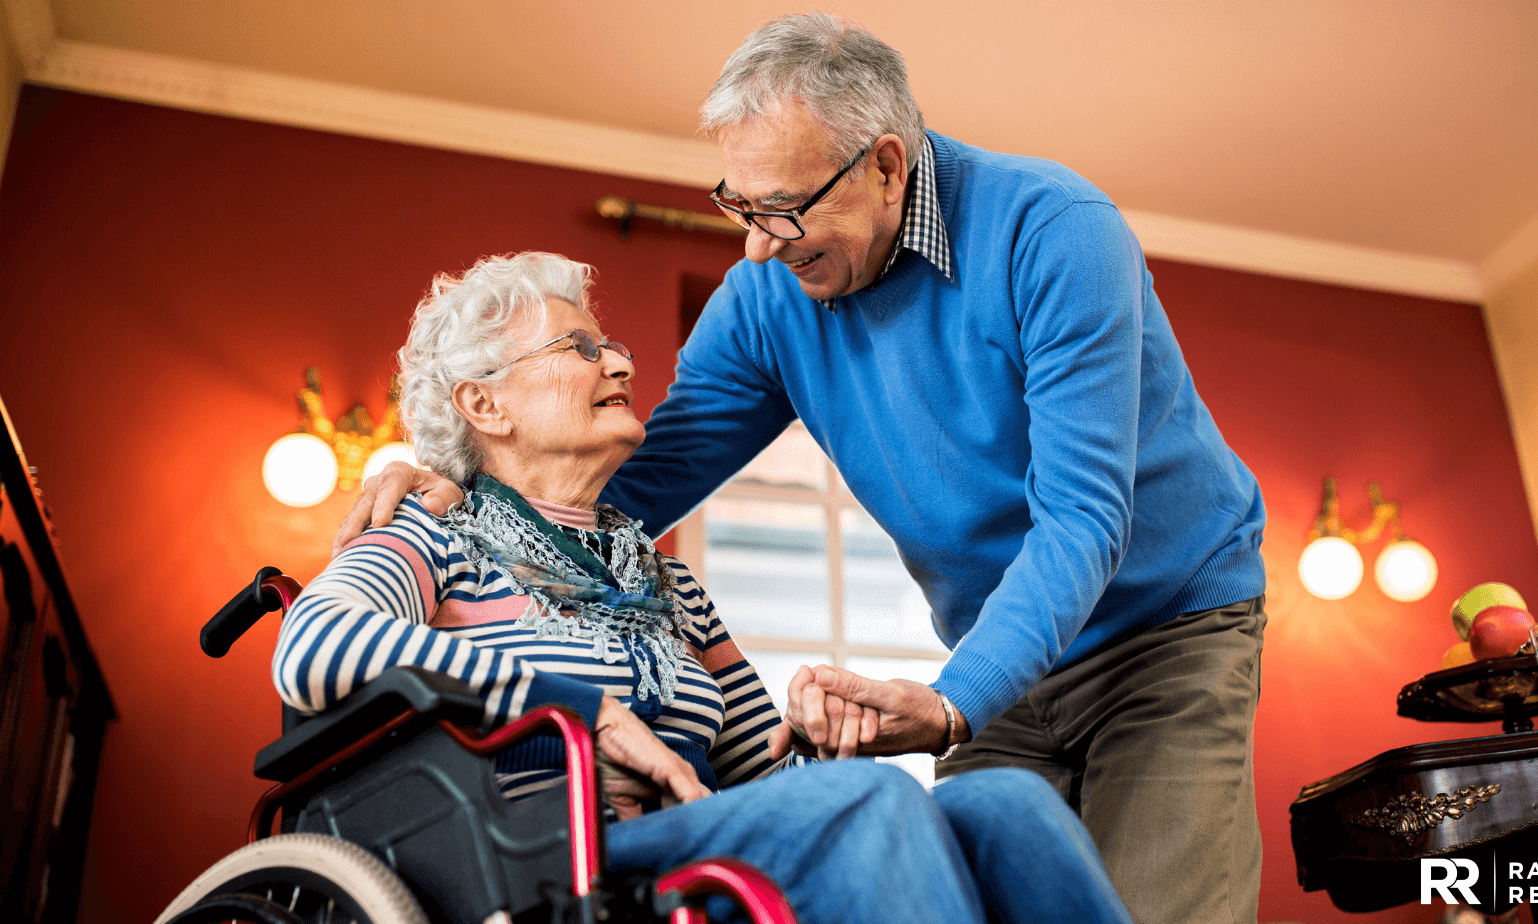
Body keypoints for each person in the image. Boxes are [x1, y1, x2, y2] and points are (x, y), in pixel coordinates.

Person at [343, 15, 1267, 924]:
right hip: (1004, 653)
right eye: (740, 206)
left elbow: (1080, 521)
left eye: (784, 208)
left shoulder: (1053, 231)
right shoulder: (765, 299)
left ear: (886, 165)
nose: (756, 245)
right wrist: (456, 491)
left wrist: (946, 706)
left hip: (1165, 626)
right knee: (982, 849)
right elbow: (615, 487)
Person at [285, 251, 1132, 924]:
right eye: (579, 348)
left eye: (608, 343)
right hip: (539, 857)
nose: (617, 359)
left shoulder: (664, 577)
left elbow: (756, 777)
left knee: (1007, 804)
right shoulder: (430, 535)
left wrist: (815, 733)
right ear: (485, 404)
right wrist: (584, 709)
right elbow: (314, 645)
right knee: (866, 806)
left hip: (684, 838)